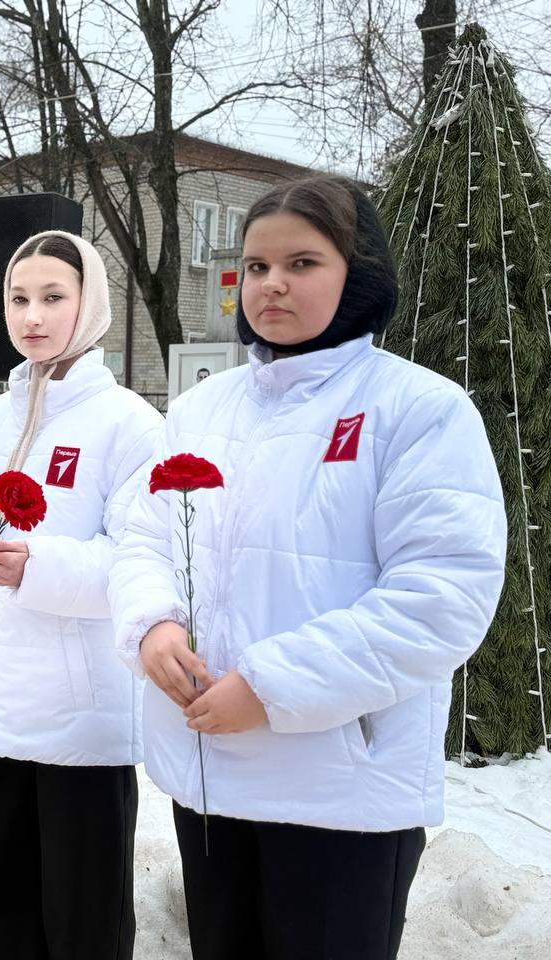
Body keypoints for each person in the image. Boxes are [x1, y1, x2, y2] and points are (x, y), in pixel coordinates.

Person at [109, 175, 507, 960]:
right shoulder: (201, 410)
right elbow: (142, 535)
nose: (272, 284)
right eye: (255, 267)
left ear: (356, 274)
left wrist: (270, 688)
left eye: (301, 262)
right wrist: (151, 623)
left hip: (341, 788)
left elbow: (442, 596)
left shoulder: (419, 410)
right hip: (212, 776)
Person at [0, 231, 163, 960]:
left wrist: (39, 567)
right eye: (19, 298)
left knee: (83, 922)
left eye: (54, 297)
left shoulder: (130, 425)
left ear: (91, 304)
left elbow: (142, 560)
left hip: (80, 726)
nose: (34, 316)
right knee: (4, 909)